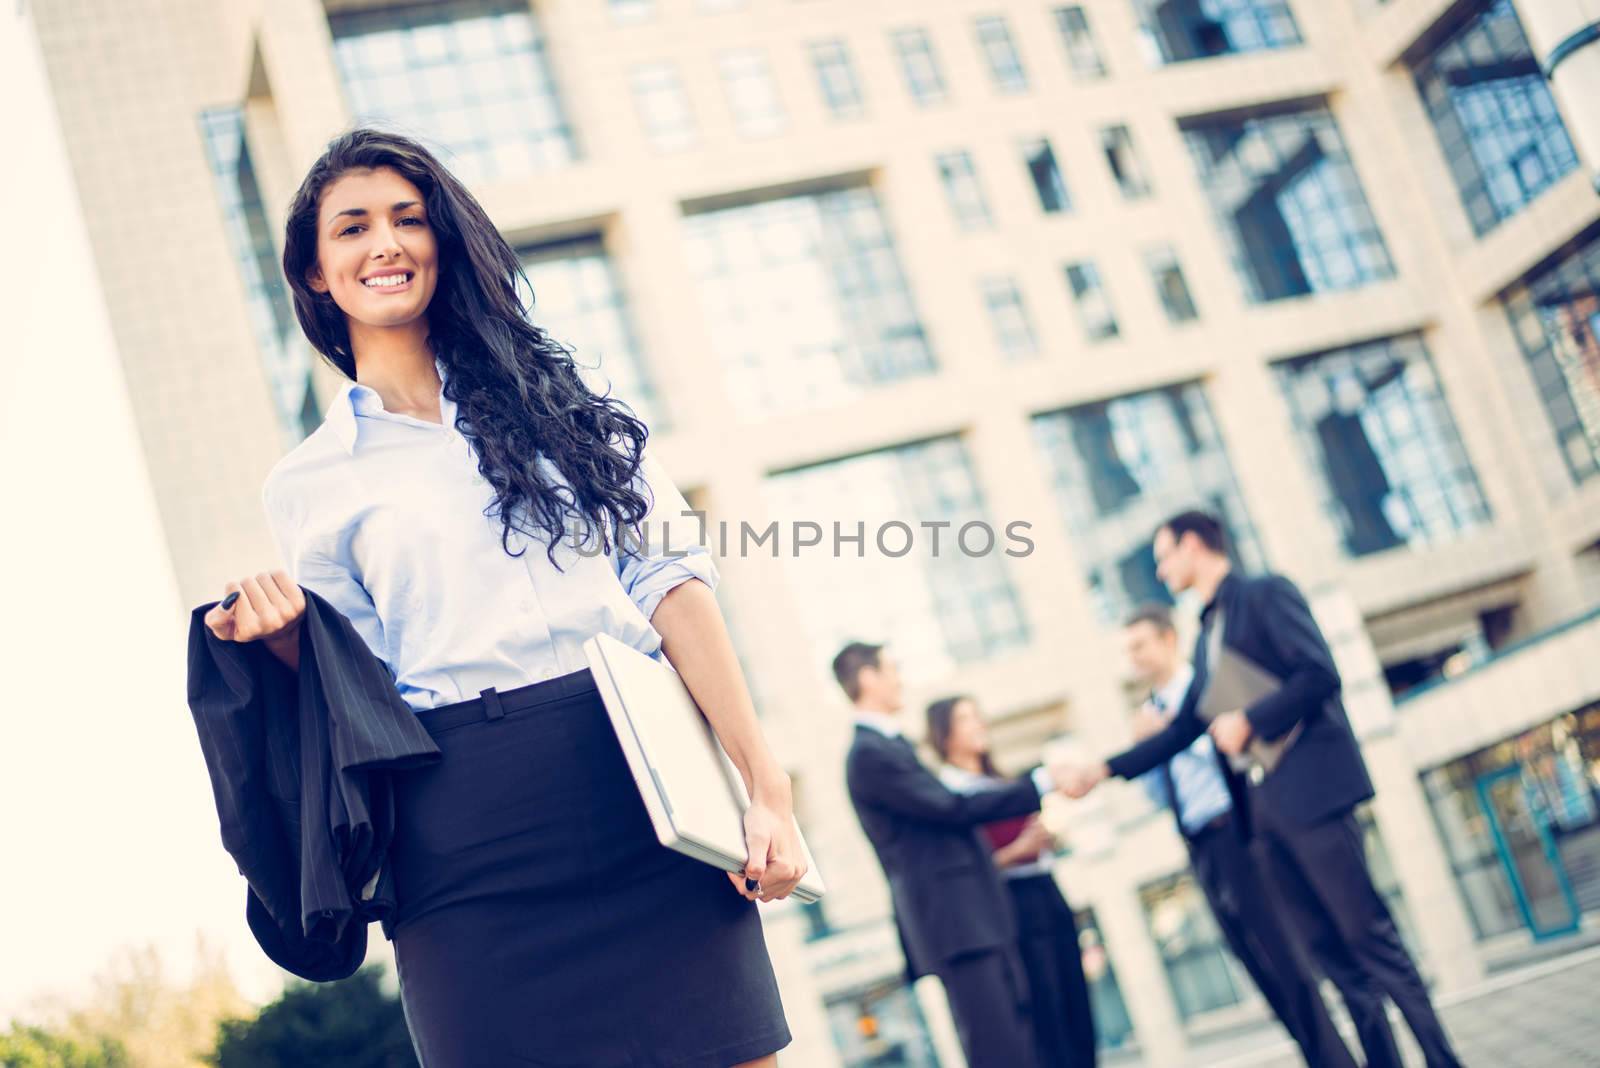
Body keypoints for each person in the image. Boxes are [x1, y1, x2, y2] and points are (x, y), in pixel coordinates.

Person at [201, 127, 801, 1068]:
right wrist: (279, 642)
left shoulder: (571, 398)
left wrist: (765, 788)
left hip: (639, 782)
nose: (386, 243)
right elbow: (357, 694)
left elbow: (671, 582)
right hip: (460, 828)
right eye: (352, 228)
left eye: (408, 219)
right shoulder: (308, 483)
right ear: (316, 274)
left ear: (444, 239)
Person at [1063, 512, 1463, 1068]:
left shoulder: (1265, 594)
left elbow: (1319, 673)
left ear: (1195, 545)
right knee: (1334, 961)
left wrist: (1250, 719)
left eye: (1164, 555)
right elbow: (1183, 729)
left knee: (1372, 943)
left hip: (1313, 795)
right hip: (1265, 815)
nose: (1159, 569)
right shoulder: (1206, 632)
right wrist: (1102, 771)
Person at [1123, 604, 1357, 1068]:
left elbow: (1235, 754)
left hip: (1238, 833)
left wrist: (1169, 736)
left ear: (1168, 639)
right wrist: (1143, 749)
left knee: (1289, 963)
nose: (1134, 658)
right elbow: (1159, 794)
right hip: (1199, 847)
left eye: (1140, 645)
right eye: (1128, 651)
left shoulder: (1206, 690)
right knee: (1259, 967)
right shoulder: (1147, 715)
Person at [835, 641, 1073, 1068]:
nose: (899, 679)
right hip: (957, 925)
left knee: (1019, 1043)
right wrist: (1037, 784)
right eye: (892, 670)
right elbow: (950, 808)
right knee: (997, 1048)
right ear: (868, 678)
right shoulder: (869, 755)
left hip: (976, 919)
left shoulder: (891, 746)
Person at [927, 695, 1099, 1068]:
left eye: (978, 716)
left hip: (1046, 890)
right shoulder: (949, 793)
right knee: (1046, 1008)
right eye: (966, 719)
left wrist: (1044, 838)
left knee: (1075, 1001)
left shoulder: (1000, 781)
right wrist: (1016, 850)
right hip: (1009, 905)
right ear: (945, 735)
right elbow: (966, 865)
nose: (979, 725)